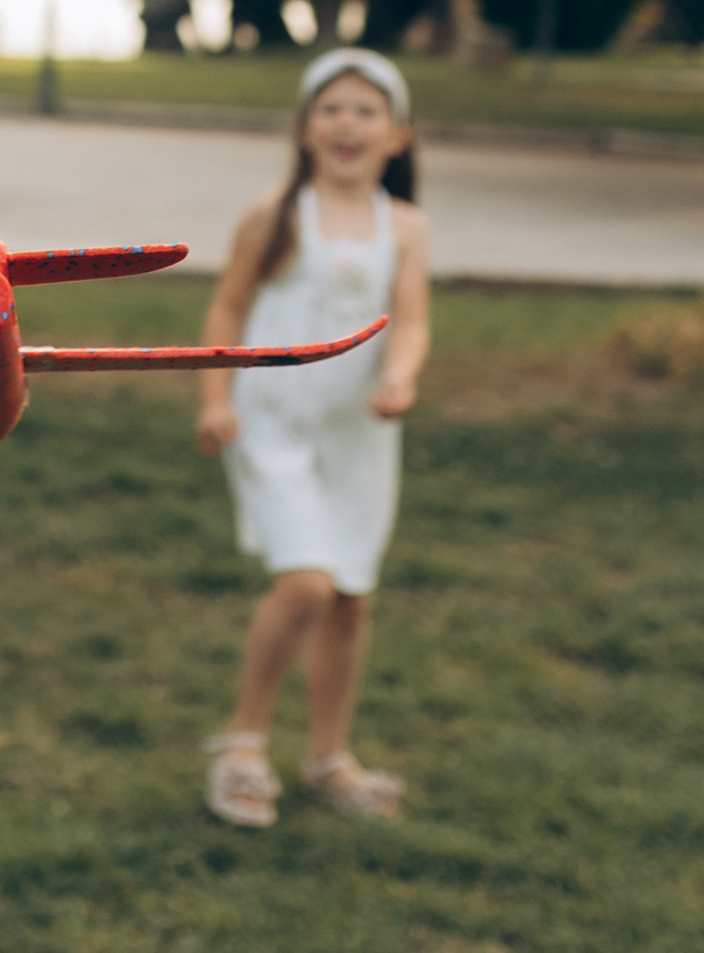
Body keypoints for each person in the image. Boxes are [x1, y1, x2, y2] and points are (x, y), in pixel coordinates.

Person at [191, 49, 432, 828]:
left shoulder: (406, 227)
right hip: (272, 422)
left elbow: (412, 321)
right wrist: (215, 397)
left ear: (397, 135)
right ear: (304, 128)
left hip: (357, 435)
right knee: (307, 583)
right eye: (331, 109)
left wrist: (400, 377)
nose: (346, 124)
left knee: (350, 597)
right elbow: (228, 308)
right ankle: (242, 744)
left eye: (365, 110)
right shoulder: (275, 214)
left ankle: (329, 755)